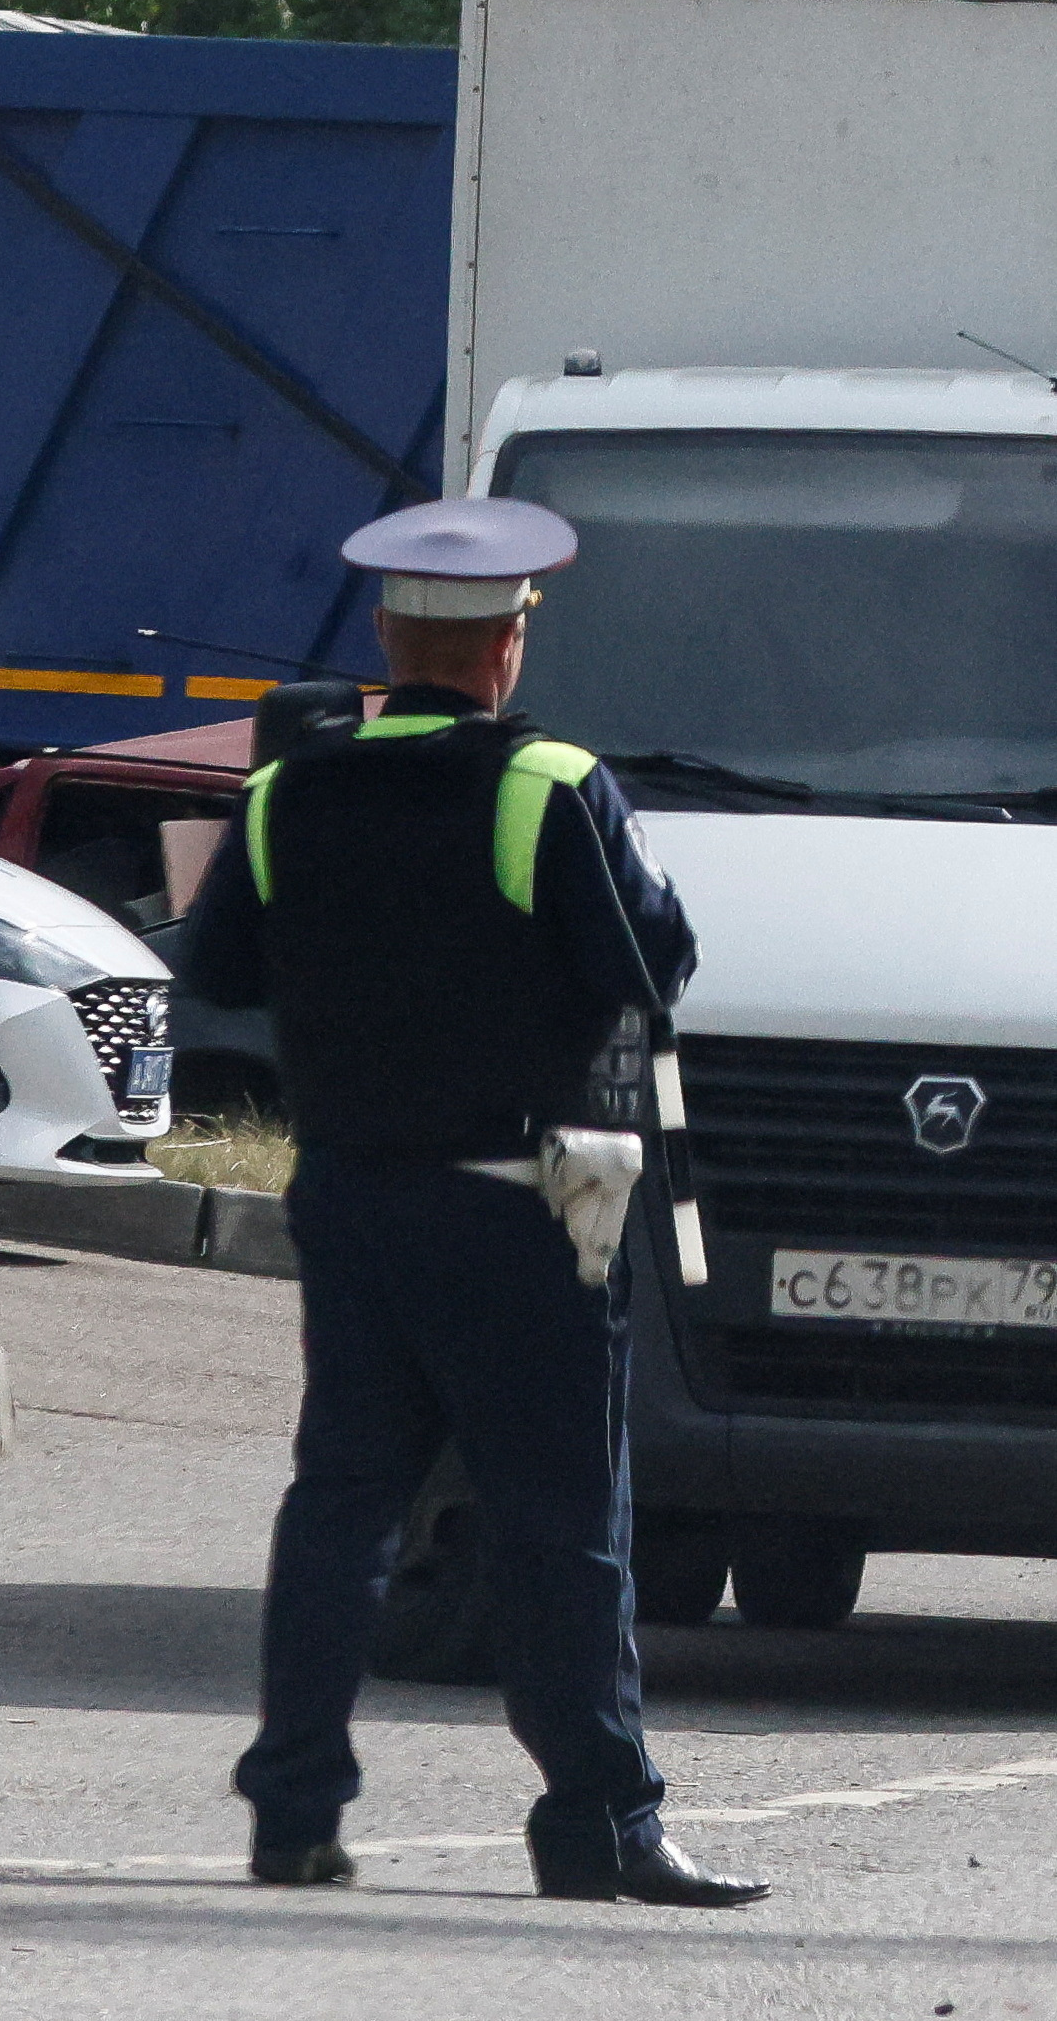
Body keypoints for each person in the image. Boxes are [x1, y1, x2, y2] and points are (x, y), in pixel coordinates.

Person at [180, 497, 764, 1908]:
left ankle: (292, 1818)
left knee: (338, 1507)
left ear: (385, 635)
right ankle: (595, 1824)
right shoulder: (544, 785)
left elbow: (218, 975)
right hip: (514, 1204)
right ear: (503, 646)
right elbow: (646, 965)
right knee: (563, 1522)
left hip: (346, 1195)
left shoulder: (281, 792)